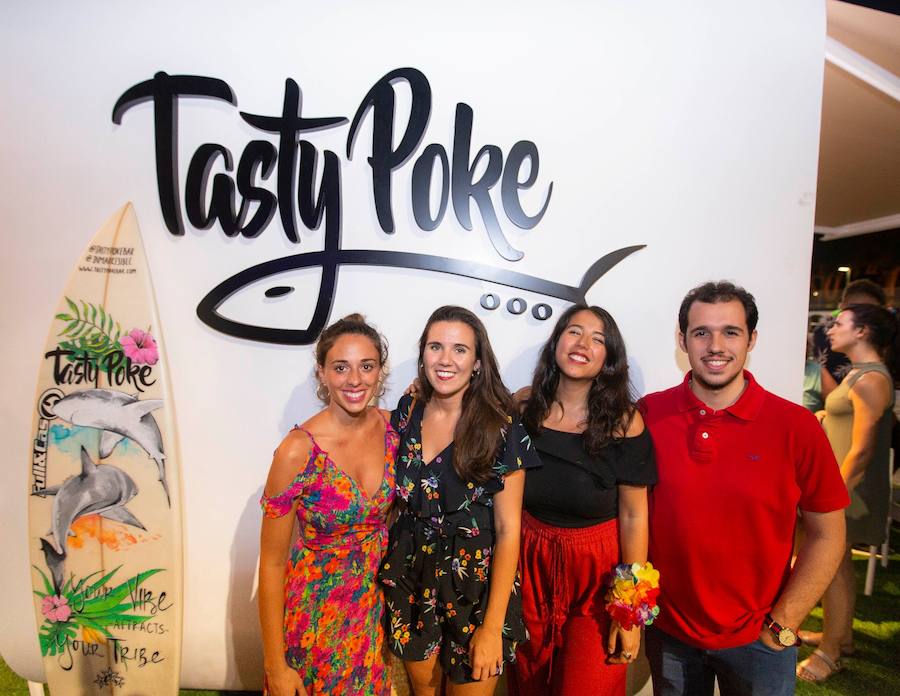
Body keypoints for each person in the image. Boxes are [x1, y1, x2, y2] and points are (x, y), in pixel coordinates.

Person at [640, 281, 849, 696]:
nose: (715, 345)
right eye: (701, 332)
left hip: (761, 640)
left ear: (751, 339)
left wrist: (784, 622)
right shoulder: (648, 413)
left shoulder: (796, 427)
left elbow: (828, 534)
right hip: (670, 634)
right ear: (682, 340)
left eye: (730, 332)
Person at [379, 305, 540, 694]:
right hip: (411, 577)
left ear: (478, 361)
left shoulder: (501, 427)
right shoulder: (407, 412)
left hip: (476, 588)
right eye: (435, 347)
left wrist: (491, 625)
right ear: (422, 355)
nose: (445, 359)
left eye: (460, 349)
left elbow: (508, 530)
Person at [507, 305, 658, 696]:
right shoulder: (523, 410)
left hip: (599, 572)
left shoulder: (626, 422)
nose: (583, 344)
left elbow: (634, 516)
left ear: (609, 358)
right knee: (528, 685)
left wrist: (630, 615)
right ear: (557, 341)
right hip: (529, 563)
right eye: (574, 332)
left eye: (598, 339)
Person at [258, 314, 397, 696]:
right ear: (322, 373)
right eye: (341, 367)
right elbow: (270, 564)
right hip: (315, 618)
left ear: (380, 371)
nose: (355, 380)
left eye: (366, 366)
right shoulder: (297, 450)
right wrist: (276, 667)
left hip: (372, 614)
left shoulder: (394, 430)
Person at [796, 303, 898, 683]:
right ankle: (843, 637)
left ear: (863, 332)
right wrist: (824, 416)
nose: (831, 329)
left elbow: (864, 449)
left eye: (840, 323)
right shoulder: (859, 375)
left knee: (834, 567)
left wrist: (833, 497)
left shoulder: (871, 378)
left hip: (848, 489)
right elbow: (846, 416)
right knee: (837, 566)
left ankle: (831, 652)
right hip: (840, 485)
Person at [812, 278, 886, 399]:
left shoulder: (869, 377)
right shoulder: (822, 331)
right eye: (854, 309)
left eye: (869, 312)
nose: (830, 332)